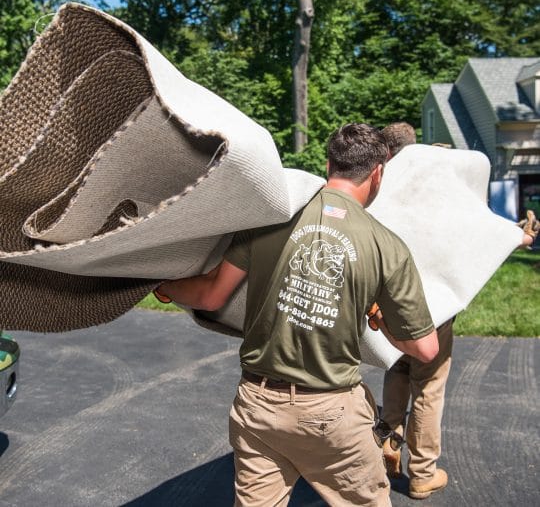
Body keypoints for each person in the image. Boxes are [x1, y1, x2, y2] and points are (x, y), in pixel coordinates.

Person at [155, 123, 439, 506]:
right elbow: (424, 350)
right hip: (331, 411)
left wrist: (164, 287)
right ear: (377, 173)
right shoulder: (387, 246)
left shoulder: (271, 219)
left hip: (259, 406)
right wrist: (381, 321)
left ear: (328, 165)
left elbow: (209, 294)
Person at [376, 122, 539, 500]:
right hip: (434, 308)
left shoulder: (385, 188)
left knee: (397, 368)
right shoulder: (440, 188)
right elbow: (477, 227)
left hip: (387, 306)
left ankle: (388, 442)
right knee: (429, 387)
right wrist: (523, 235)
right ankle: (422, 472)